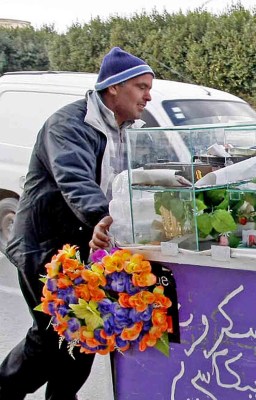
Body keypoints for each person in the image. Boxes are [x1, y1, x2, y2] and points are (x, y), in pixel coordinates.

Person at [0, 47, 154, 400]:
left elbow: (127, 181)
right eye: (141, 87)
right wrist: (102, 218)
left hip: (84, 244)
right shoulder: (68, 125)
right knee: (50, 334)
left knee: (85, 333)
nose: (148, 96)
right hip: (44, 245)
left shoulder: (126, 129)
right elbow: (75, 180)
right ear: (114, 87)